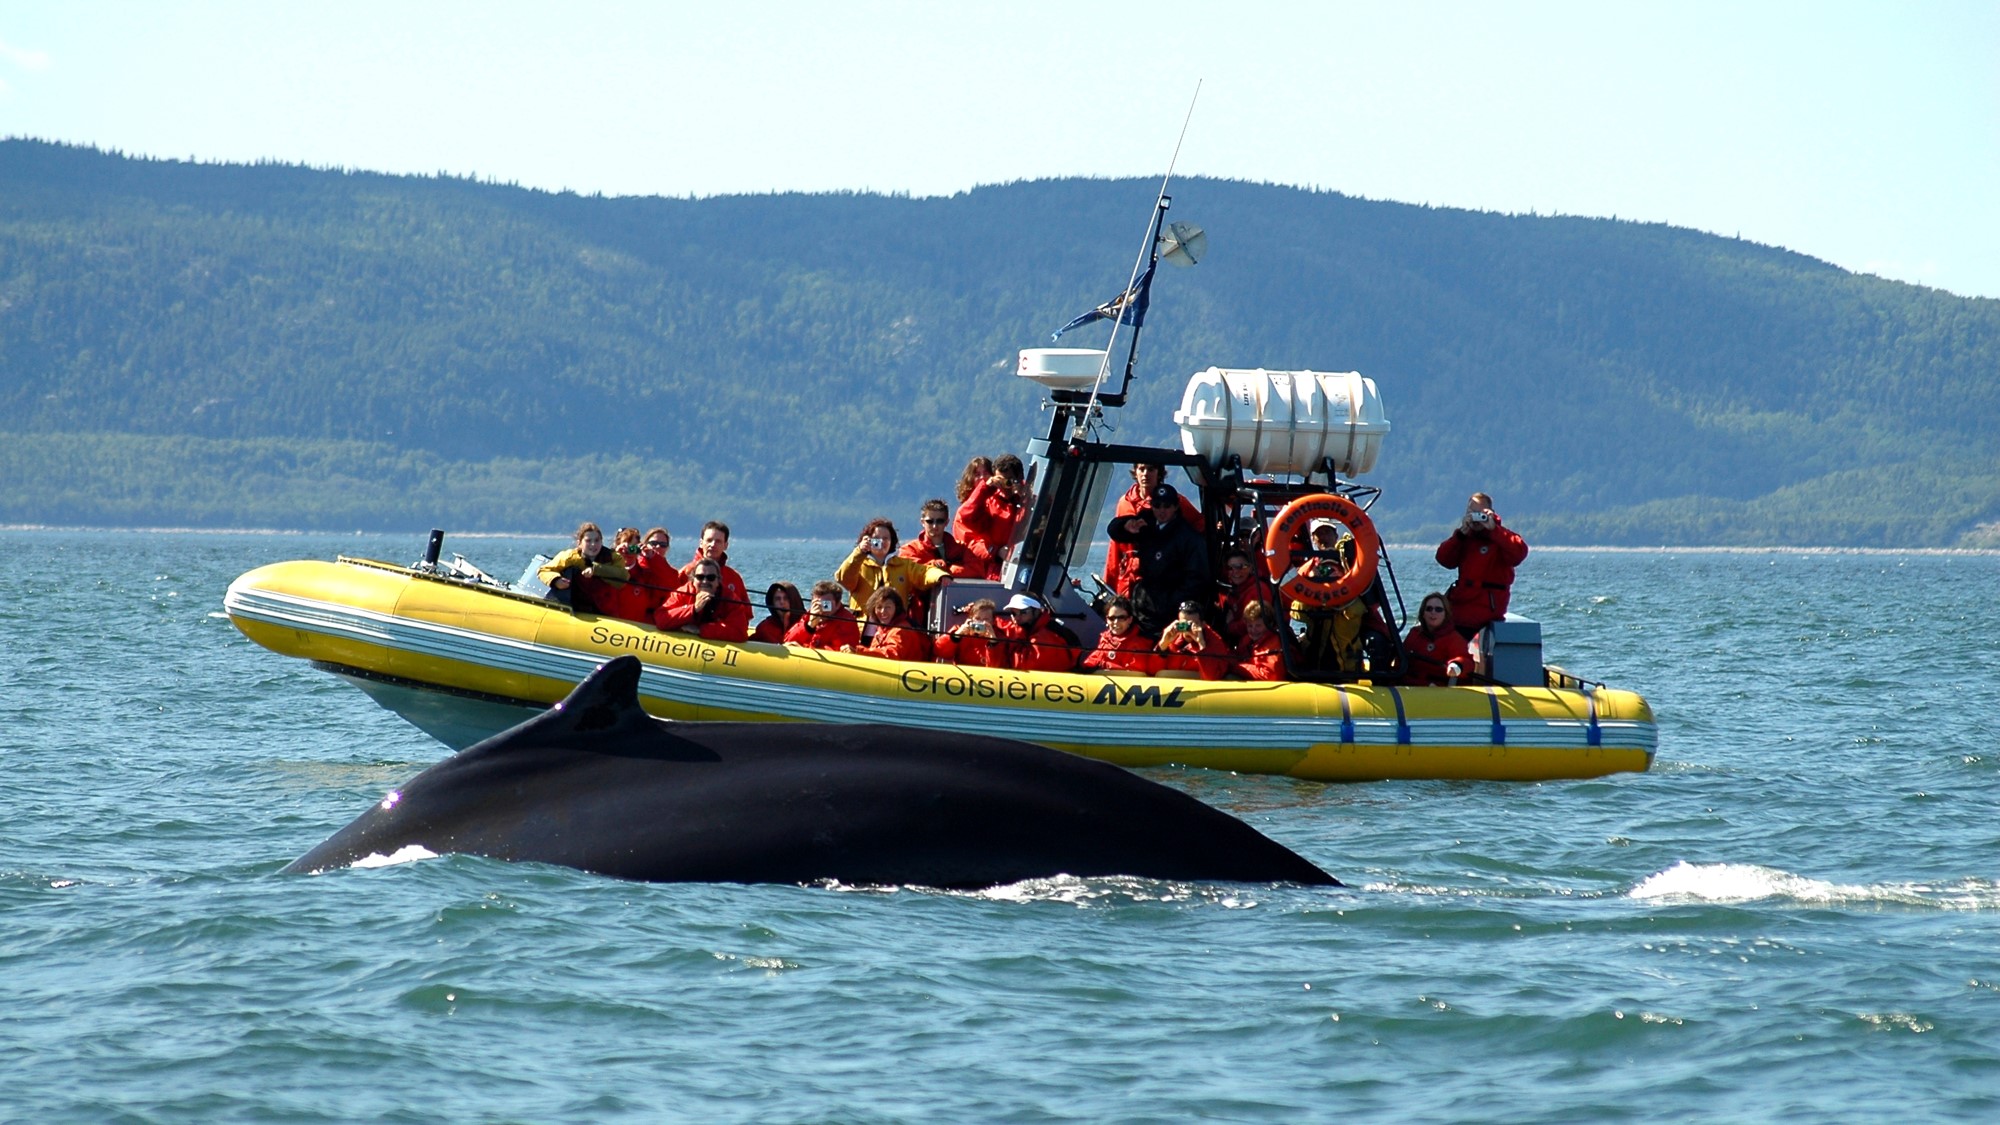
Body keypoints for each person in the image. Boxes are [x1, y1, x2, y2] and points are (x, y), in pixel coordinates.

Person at [1104, 483, 1211, 637]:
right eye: (1157, 505)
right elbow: (1114, 531)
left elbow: (1197, 580)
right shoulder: (1146, 524)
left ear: (1175, 507)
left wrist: (1167, 603)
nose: (1161, 511)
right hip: (1142, 607)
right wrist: (1126, 525)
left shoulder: (1189, 538)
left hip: (1168, 614)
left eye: (1167, 506)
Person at [1435, 492, 1529, 639]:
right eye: (1471, 513)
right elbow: (1444, 559)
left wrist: (1494, 530)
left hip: (1487, 612)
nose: (1476, 518)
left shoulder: (1502, 538)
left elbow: (1519, 553)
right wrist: (1459, 535)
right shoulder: (1465, 538)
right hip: (1460, 609)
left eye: (1480, 513)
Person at [1103, 463, 1204, 596]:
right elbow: (1116, 545)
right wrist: (1108, 582)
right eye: (1142, 469)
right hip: (1128, 578)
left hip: (1160, 571)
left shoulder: (1174, 500)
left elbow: (1199, 526)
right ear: (1135, 472)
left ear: (1159, 473)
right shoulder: (1124, 502)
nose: (1146, 474)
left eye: (1151, 469)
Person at [835, 517, 948, 614]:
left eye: (886, 538)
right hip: (863, 627)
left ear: (891, 541)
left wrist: (941, 576)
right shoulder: (859, 565)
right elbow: (843, 578)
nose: (882, 542)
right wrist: (859, 551)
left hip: (895, 627)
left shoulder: (903, 565)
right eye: (877, 538)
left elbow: (924, 573)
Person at [955, 453, 1028, 580]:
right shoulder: (988, 502)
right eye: (1001, 480)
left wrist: (1024, 494)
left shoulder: (1028, 500)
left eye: (1009, 480)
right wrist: (996, 551)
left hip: (1022, 568)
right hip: (990, 570)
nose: (1005, 484)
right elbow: (966, 519)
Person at [652, 558, 751, 641]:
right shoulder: (682, 593)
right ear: (693, 580)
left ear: (718, 581)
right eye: (700, 577)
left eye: (710, 578)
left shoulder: (730, 598)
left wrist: (701, 630)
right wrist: (693, 609)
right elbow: (661, 619)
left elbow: (740, 633)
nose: (705, 581)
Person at [537, 522, 628, 611]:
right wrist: (556, 580)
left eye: (597, 540)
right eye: (588, 541)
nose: (593, 544)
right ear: (579, 543)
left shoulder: (614, 558)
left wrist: (596, 570)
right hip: (573, 608)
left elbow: (623, 577)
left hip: (603, 610)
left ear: (601, 541)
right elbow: (544, 570)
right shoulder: (570, 556)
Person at [682, 520, 751, 632]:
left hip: (720, 635)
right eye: (709, 540)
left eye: (718, 541)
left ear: (726, 545)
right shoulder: (686, 572)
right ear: (701, 542)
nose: (712, 545)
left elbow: (746, 613)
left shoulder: (734, 578)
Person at [1403, 592, 1473, 686]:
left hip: (1437, 689)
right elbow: (1401, 659)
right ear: (1423, 613)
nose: (1433, 612)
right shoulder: (1414, 634)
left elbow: (1466, 661)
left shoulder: (1453, 638)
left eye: (1438, 609)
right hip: (1409, 685)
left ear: (1446, 614)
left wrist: (1457, 665)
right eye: (1429, 609)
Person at [996, 593, 1077, 673]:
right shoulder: (1027, 629)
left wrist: (1018, 634)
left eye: (1023, 612)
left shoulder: (1048, 636)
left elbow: (1023, 668)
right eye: (1013, 613)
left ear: (1036, 611)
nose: (1017, 617)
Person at [846, 588, 933, 663]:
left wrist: (860, 651)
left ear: (896, 608)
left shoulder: (901, 630)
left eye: (888, 607)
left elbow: (892, 654)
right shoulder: (882, 629)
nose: (883, 611)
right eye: (879, 607)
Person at [1214, 547, 1277, 646]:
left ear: (1251, 568)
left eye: (1240, 567)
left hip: (1259, 644)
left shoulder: (1258, 590)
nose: (1235, 572)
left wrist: (1229, 626)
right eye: (1230, 568)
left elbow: (1254, 625)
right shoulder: (1232, 590)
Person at [1080, 595, 1159, 674]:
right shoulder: (1105, 638)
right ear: (1107, 619)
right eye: (1112, 618)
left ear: (1130, 620)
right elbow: (1091, 661)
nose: (1116, 622)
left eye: (1121, 618)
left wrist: (1104, 665)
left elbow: (1133, 674)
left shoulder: (1139, 644)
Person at [1155, 599, 1229, 680]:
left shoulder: (1215, 643)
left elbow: (1212, 678)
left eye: (1193, 624)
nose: (1188, 629)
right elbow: (1153, 672)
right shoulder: (1172, 636)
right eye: (1184, 624)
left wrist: (1202, 646)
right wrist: (1163, 645)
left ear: (1203, 624)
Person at [785, 581, 862, 651]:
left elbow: (839, 652)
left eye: (826, 604)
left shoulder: (846, 621)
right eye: (817, 604)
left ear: (838, 604)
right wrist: (808, 627)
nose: (821, 608)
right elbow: (788, 640)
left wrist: (805, 650)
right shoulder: (809, 615)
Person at [623, 527, 679, 621]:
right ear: (644, 545)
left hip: (659, 618)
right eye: (653, 543)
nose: (657, 547)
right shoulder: (637, 566)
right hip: (636, 616)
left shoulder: (671, 572)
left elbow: (671, 581)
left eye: (663, 545)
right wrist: (624, 555)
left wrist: (653, 557)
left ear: (667, 548)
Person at [934, 598, 1004, 668]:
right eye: (977, 618)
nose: (981, 623)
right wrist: (956, 636)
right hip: (962, 674)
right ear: (971, 618)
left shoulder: (998, 636)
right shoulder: (961, 631)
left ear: (993, 621)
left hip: (987, 676)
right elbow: (939, 651)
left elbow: (995, 665)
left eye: (986, 619)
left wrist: (993, 643)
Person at [1230, 601, 1288, 682]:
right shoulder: (1247, 640)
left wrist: (1238, 667)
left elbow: (1269, 675)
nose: (1253, 630)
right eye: (1250, 625)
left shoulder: (1274, 643)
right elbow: (1236, 655)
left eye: (1258, 625)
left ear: (1269, 624)